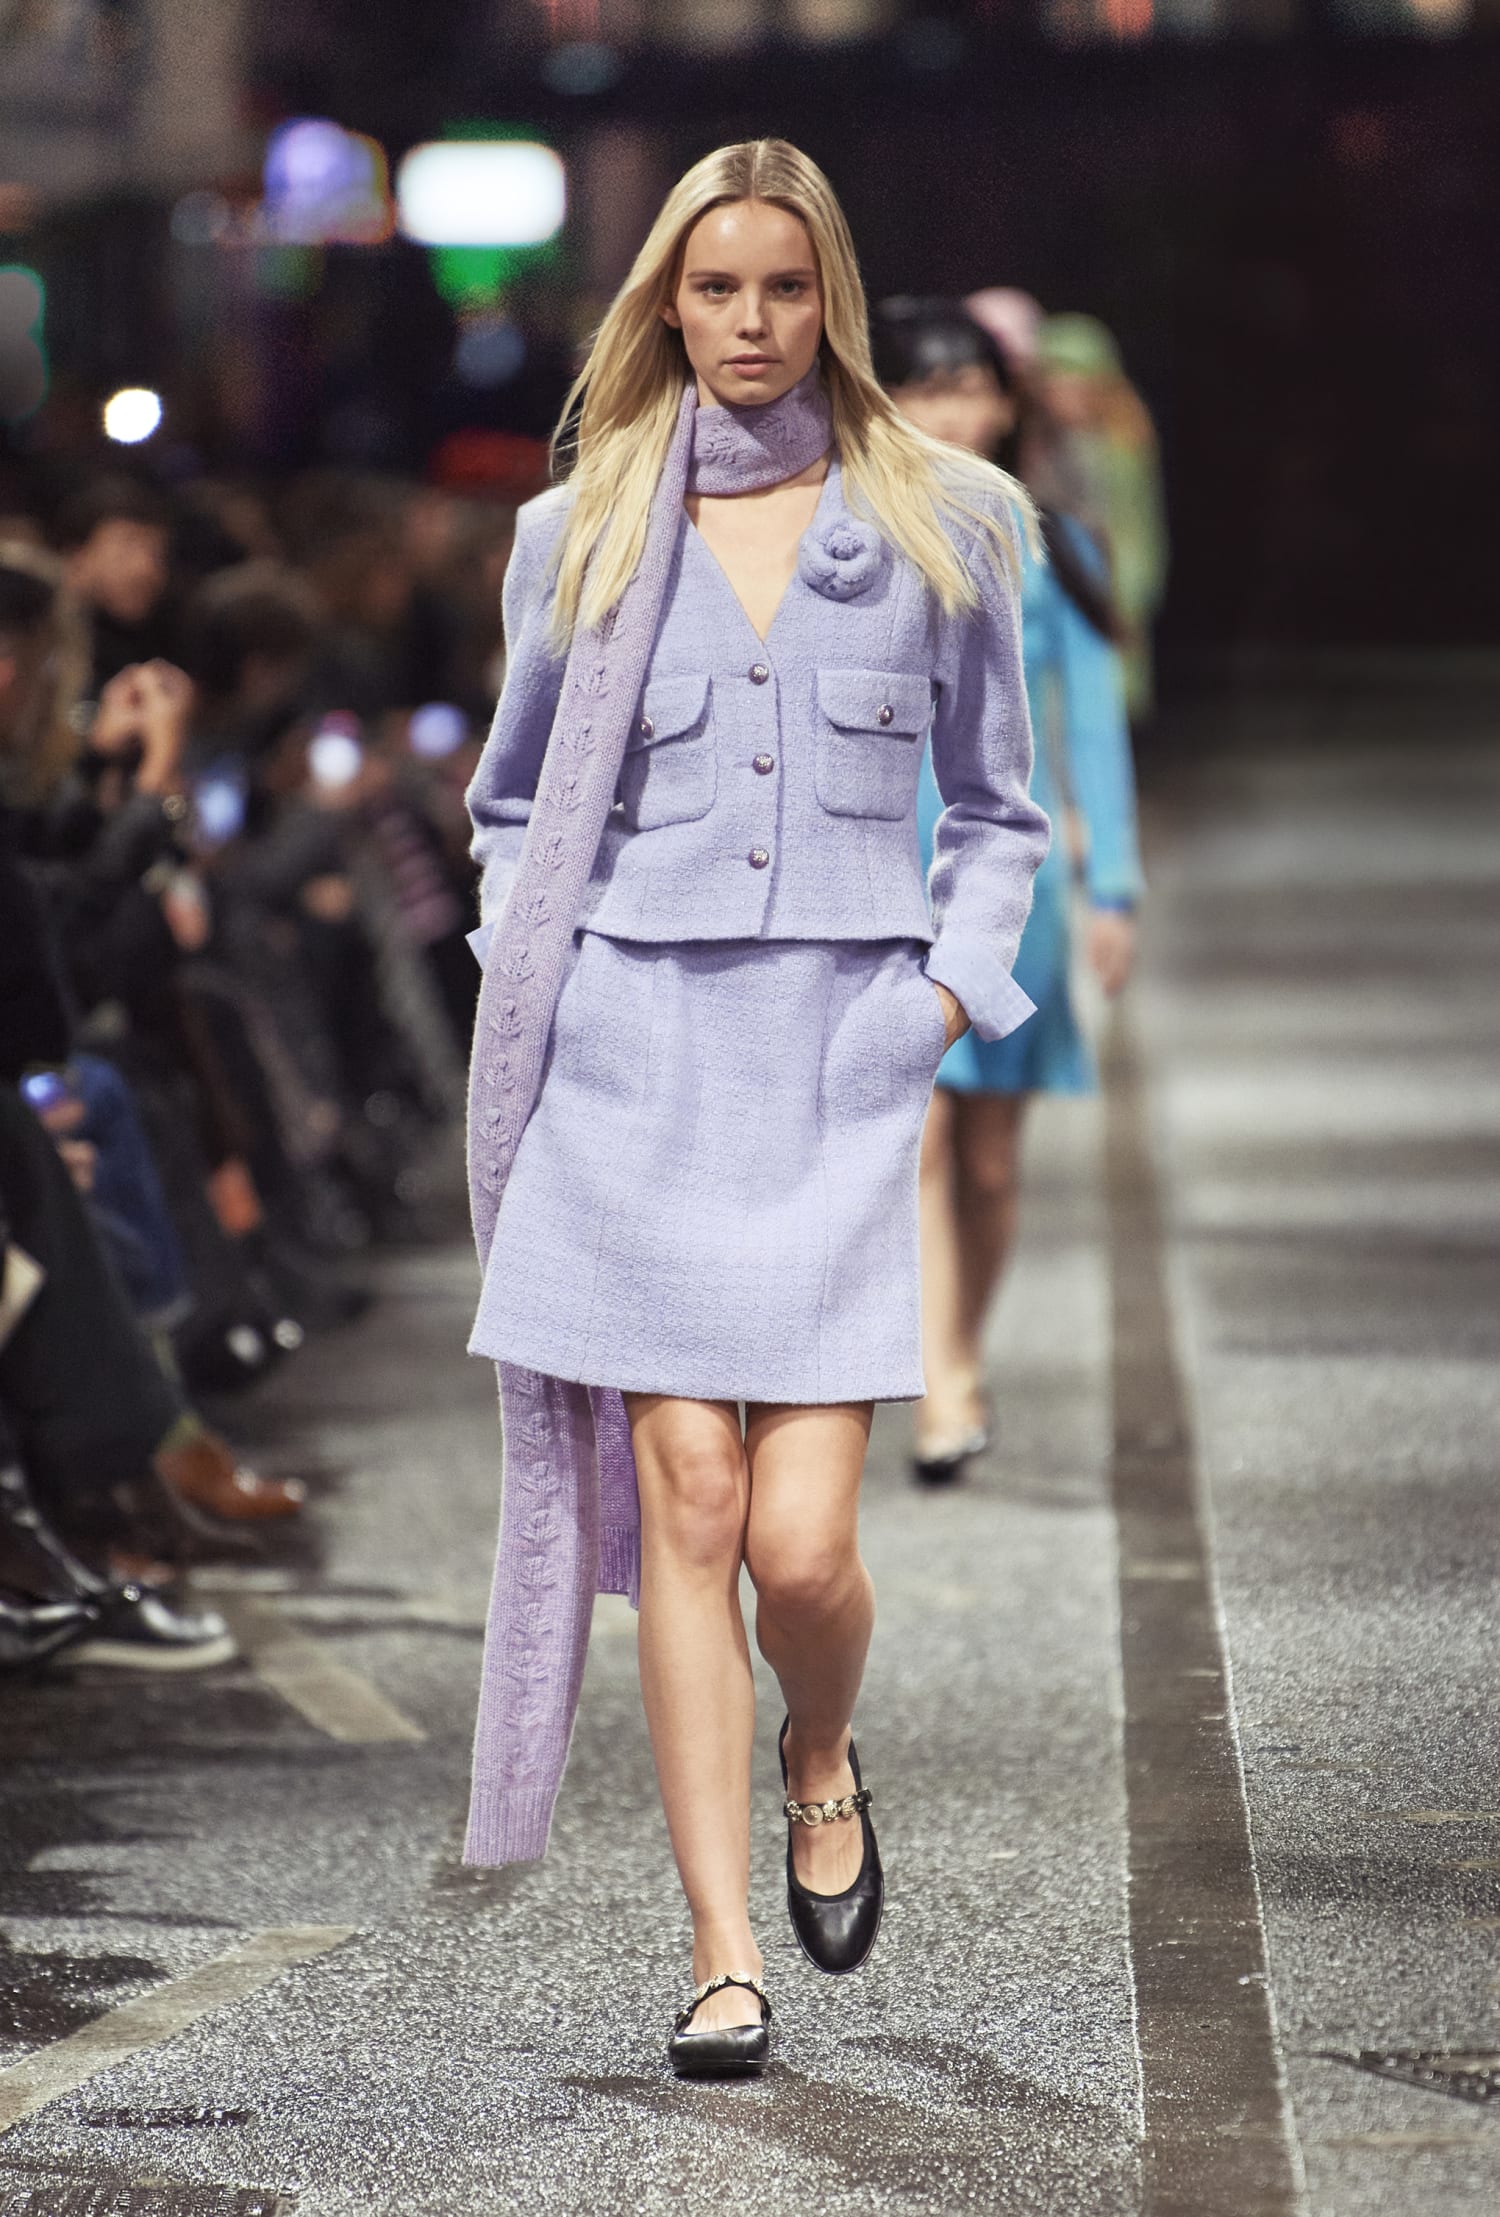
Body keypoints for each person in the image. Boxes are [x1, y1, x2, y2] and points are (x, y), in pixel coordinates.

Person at [462, 141, 1048, 2076]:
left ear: (832, 302)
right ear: (665, 303)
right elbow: (511, 809)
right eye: (714, 288)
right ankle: (724, 1953)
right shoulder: (580, 530)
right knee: (691, 1502)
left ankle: (823, 1747)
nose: (749, 322)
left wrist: (943, 997)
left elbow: (1003, 810)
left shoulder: (952, 518)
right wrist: (538, 979)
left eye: (785, 289)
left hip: (833, 1065)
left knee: (802, 1548)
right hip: (633, 1062)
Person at [872, 298, 1142, 1480]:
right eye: (927, 387)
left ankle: (964, 1348)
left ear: (1006, 401)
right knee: (920, 1143)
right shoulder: (850, 534)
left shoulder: (1053, 546)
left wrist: (1114, 889)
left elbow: (1095, 733)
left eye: (973, 386)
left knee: (989, 1159)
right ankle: (943, 1381)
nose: (953, 411)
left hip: (1012, 884)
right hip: (887, 879)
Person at [1033, 313, 1168, 725]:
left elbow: (1138, 528)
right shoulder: (1035, 443)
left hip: (1107, 586)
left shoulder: (1122, 444)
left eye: (1079, 379)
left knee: (1101, 701)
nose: (1067, 390)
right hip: (1049, 586)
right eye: (1055, 379)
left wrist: (1128, 595)